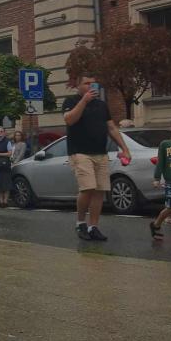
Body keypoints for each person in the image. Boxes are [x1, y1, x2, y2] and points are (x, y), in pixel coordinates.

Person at [62, 75, 131, 242]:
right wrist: (84, 101)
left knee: (100, 190)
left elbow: (112, 128)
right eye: (86, 83)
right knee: (88, 188)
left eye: (93, 83)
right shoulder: (71, 101)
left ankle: (94, 226)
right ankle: (80, 223)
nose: (91, 86)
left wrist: (125, 148)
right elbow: (69, 120)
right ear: (78, 85)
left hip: (100, 152)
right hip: (80, 152)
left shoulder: (101, 105)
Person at [151, 119, 171, 239]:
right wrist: (157, 178)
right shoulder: (165, 144)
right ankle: (156, 225)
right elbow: (160, 162)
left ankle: (158, 223)